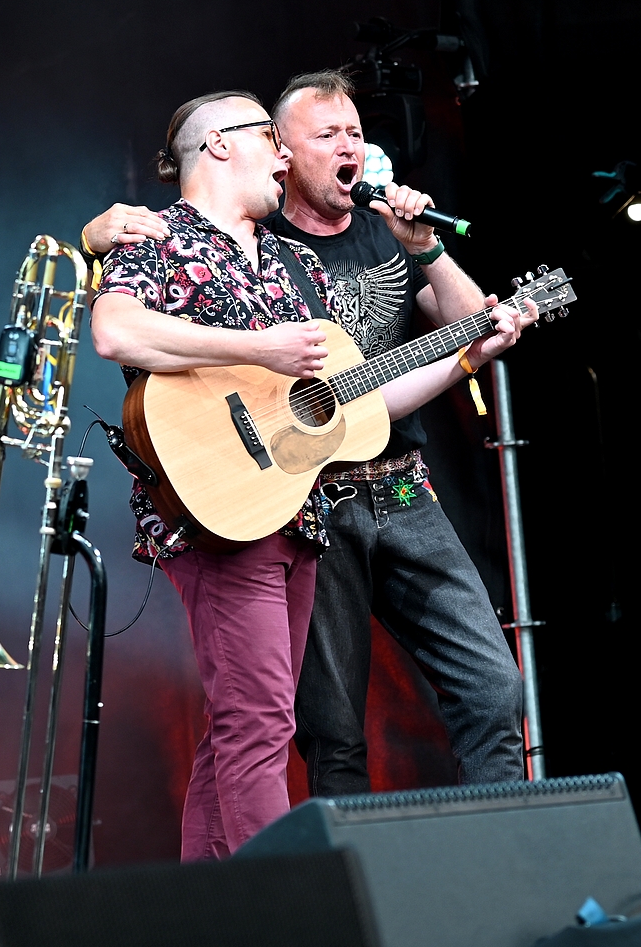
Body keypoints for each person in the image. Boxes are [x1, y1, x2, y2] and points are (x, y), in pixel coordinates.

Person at [88, 89, 520, 859]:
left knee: (241, 727)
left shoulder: (295, 262)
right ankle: (287, 904)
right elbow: (116, 331)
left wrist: (463, 357)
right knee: (260, 724)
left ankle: (216, 900)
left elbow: (359, 401)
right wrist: (260, 349)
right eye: (271, 137)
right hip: (218, 509)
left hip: (297, 509)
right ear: (220, 145)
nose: (284, 156)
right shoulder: (158, 235)